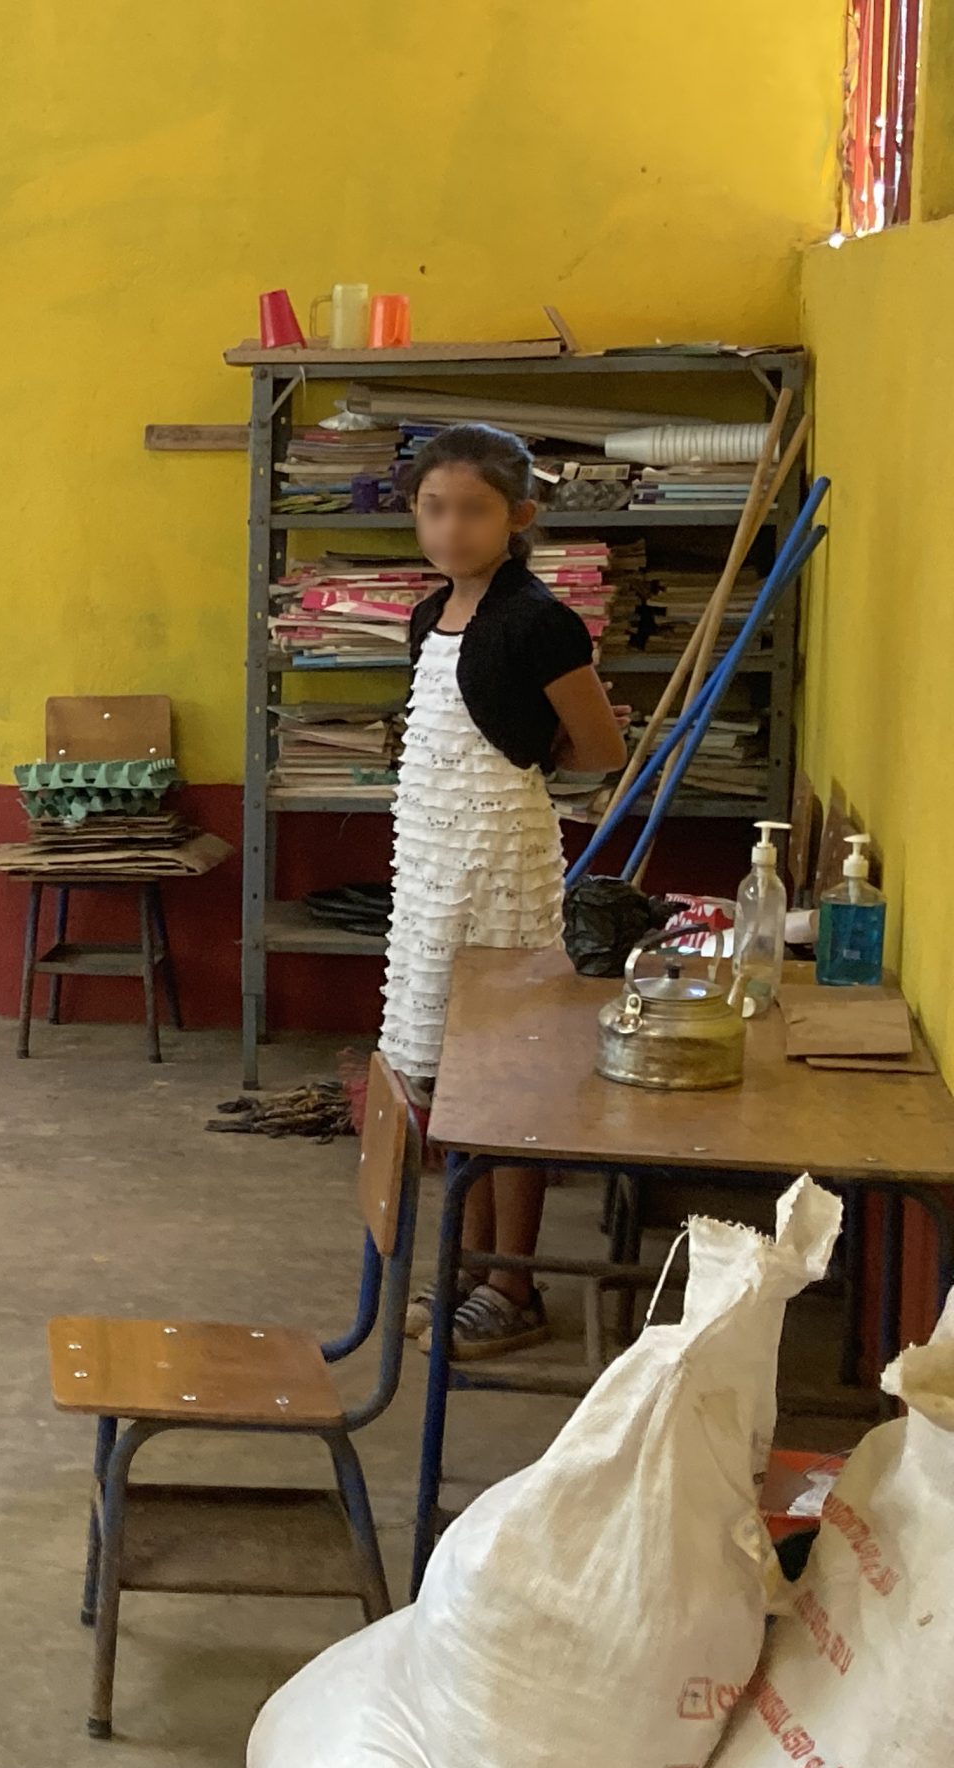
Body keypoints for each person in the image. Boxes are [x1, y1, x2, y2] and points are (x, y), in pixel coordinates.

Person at [383, 425, 627, 1359]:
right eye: (433, 508)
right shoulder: (429, 614)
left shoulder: (538, 621)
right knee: (448, 1081)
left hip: (502, 866)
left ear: (519, 516)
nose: (450, 528)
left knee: (509, 1080)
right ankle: (473, 1264)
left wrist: (532, 757)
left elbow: (598, 748)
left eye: (474, 509)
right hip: (434, 871)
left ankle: (512, 1284)